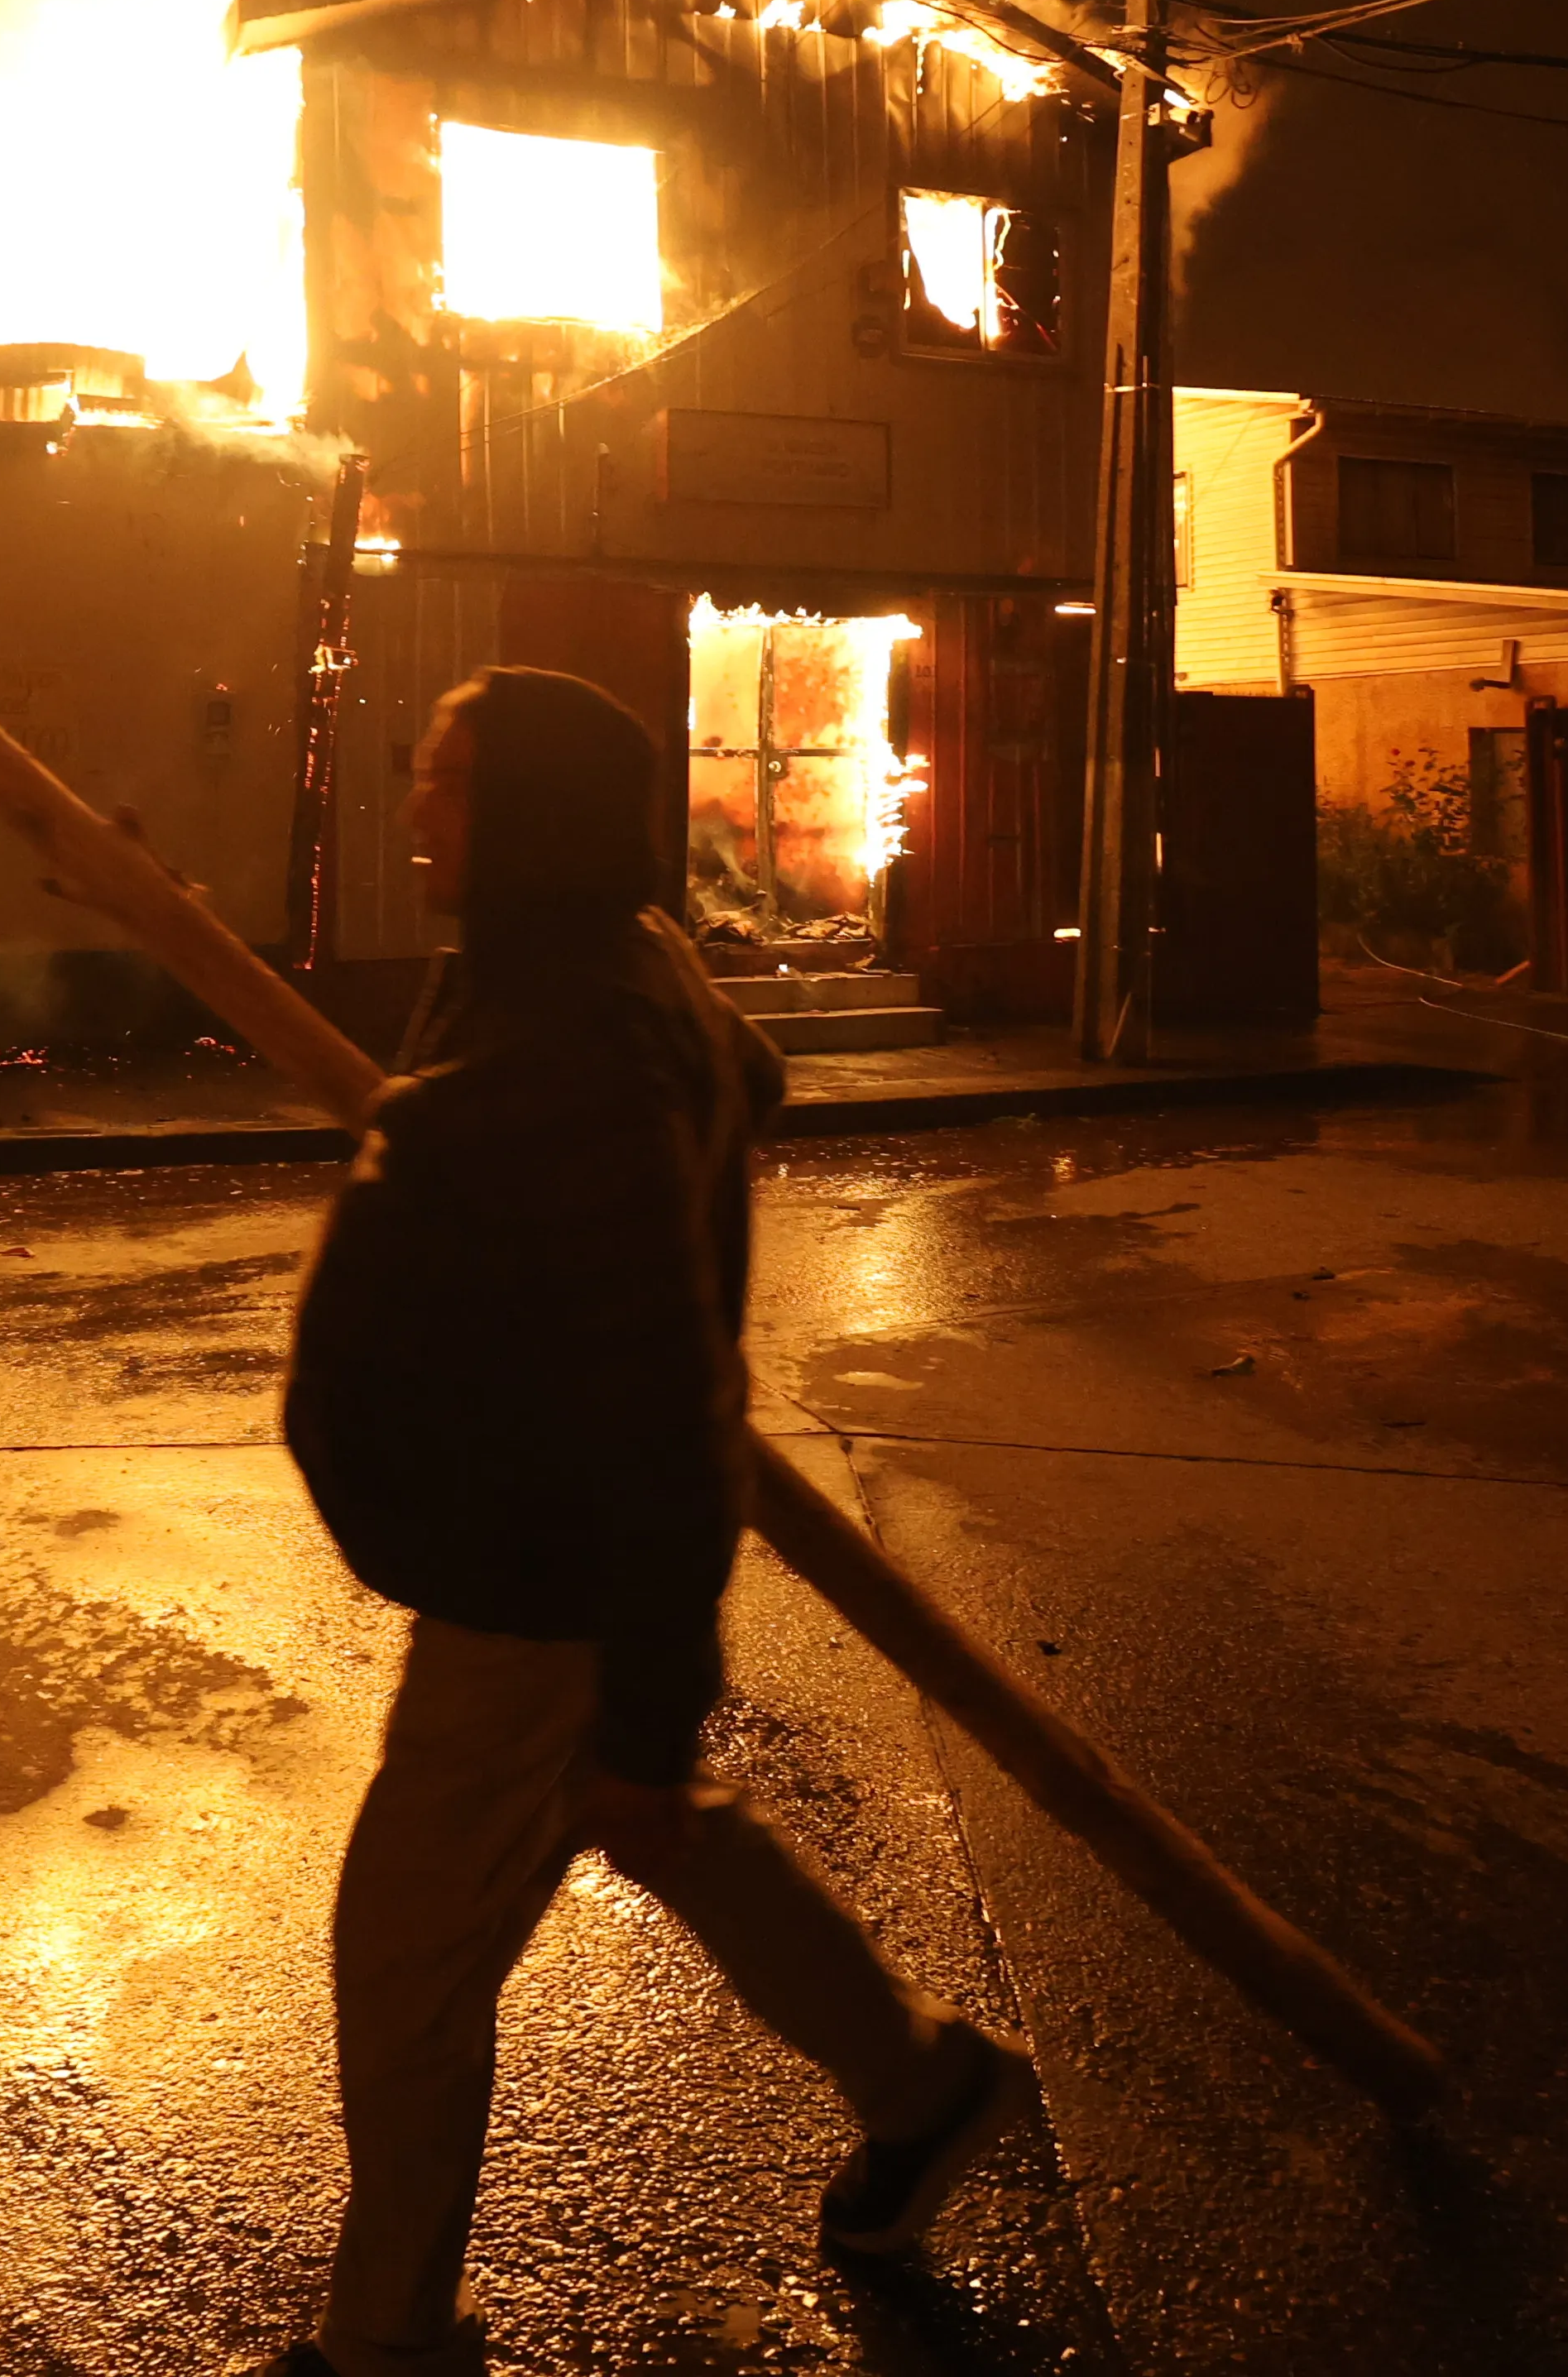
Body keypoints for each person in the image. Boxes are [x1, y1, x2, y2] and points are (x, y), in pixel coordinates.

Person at [249, 667, 1034, 2377]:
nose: (416, 807)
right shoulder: (572, 961)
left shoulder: (579, 1052)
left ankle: (383, 2345)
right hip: (549, 1551)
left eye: (448, 777)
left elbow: (661, 1411)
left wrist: (650, 1701)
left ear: (526, 810)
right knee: (658, 1828)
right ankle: (923, 2084)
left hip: (544, 1578)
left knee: (406, 1963)